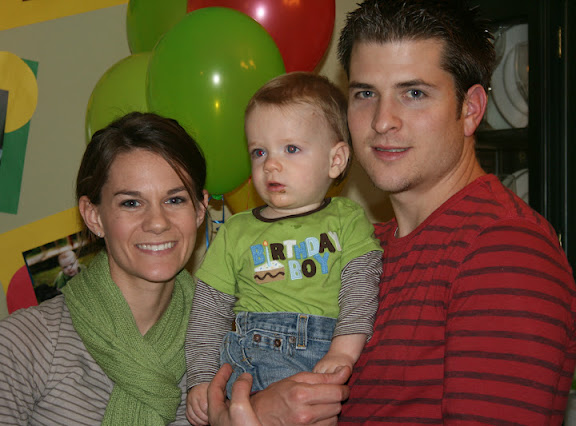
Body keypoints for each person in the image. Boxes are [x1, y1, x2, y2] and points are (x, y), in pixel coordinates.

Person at [207, 0, 576, 425]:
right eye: (365, 94)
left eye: (414, 93)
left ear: (470, 109)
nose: (383, 121)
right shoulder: (361, 245)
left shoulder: (505, 250)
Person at [0, 112, 209, 425]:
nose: (158, 222)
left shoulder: (228, 351)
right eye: (131, 203)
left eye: (175, 200)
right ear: (94, 216)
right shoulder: (21, 346)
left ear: (200, 209)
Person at [185, 72, 383, 425]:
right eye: (259, 152)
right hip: (247, 361)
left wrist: (344, 350)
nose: (270, 164)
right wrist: (200, 378)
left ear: (335, 160)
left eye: (291, 149)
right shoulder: (237, 230)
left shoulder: (347, 219)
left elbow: (360, 288)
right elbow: (208, 311)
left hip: (322, 355)